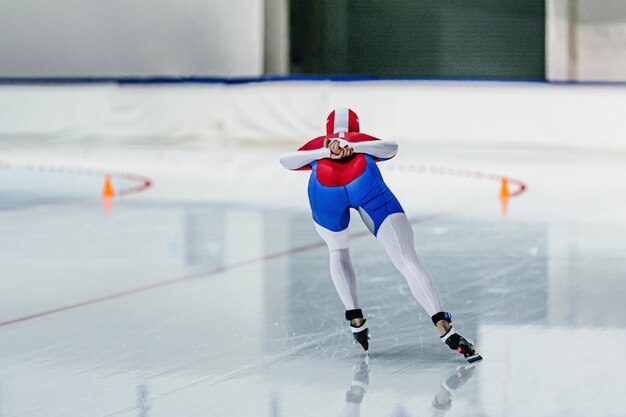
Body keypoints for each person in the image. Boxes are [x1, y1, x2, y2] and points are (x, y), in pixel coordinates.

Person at [279, 108, 481, 363]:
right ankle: (443, 326)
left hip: (324, 191)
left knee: (337, 251)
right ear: (356, 125)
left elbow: (286, 161)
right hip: (366, 185)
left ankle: (355, 320)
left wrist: (324, 152)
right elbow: (391, 148)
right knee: (407, 260)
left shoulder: (318, 143)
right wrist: (350, 145)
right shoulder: (359, 138)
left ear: (327, 128)